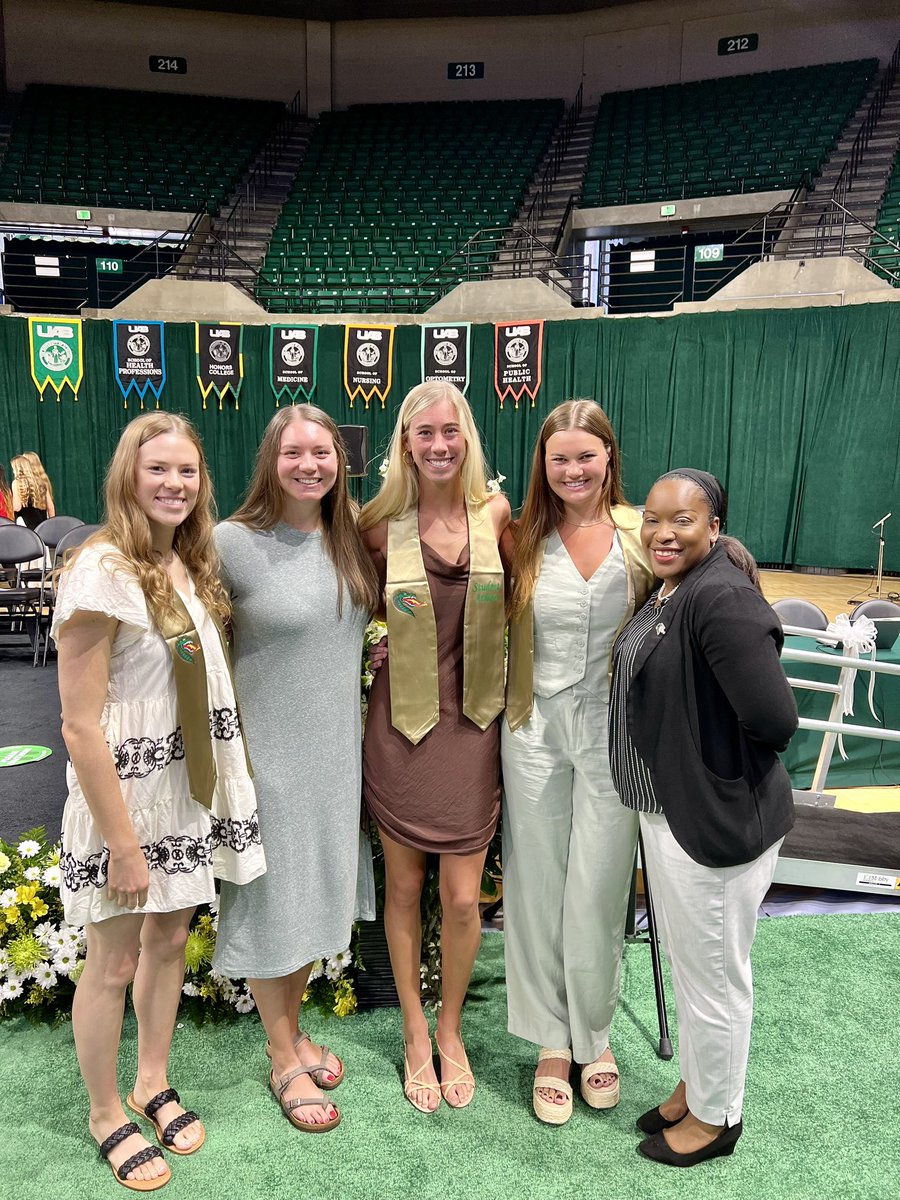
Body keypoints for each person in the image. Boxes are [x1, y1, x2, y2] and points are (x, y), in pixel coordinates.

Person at [53, 413, 265, 1192]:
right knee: (111, 961)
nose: (175, 484)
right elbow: (78, 724)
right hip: (126, 803)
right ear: (127, 478)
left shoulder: (187, 564)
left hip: (185, 790)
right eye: (159, 470)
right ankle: (106, 1111)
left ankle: (151, 1078)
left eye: (187, 471)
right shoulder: (100, 569)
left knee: (170, 944)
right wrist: (123, 842)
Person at [609, 468, 797, 1167]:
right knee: (693, 972)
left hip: (712, 825)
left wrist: (704, 764)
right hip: (674, 817)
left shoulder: (720, 597)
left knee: (716, 978)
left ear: (713, 526)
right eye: (652, 518)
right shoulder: (676, 586)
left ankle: (719, 1119)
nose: (662, 531)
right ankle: (699, 1083)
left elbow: (774, 719)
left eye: (682, 520)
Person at [212, 405, 380, 1134]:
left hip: (335, 755)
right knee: (274, 902)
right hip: (268, 760)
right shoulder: (231, 543)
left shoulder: (347, 539)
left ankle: (297, 1027)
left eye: (322, 452)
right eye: (294, 453)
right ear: (269, 461)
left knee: (313, 895)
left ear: (340, 463)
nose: (310, 464)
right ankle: (282, 1053)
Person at [502, 399, 654, 1125]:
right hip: (530, 725)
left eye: (585, 457)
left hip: (614, 733)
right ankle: (550, 1045)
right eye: (559, 459)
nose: (572, 471)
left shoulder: (642, 535)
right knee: (537, 884)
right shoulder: (521, 536)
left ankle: (595, 1035)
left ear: (609, 456)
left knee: (597, 884)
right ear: (544, 464)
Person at [359, 380, 510, 1112]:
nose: (440, 444)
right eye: (425, 433)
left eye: (451, 431)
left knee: (459, 899)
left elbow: (530, 602)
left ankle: (452, 1028)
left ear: (467, 436)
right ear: (406, 443)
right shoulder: (378, 523)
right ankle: (415, 1034)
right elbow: (335, 611)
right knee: (404, 889)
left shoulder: (496, 514)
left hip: (472, 728)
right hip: (402, 728)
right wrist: (370, 652)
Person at [11, 451, 56, 528]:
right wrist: (52, 524)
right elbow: (51, 507)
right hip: (43, 525)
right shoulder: (41, 481)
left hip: (27, 526)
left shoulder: (16, 483)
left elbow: (17, 507)